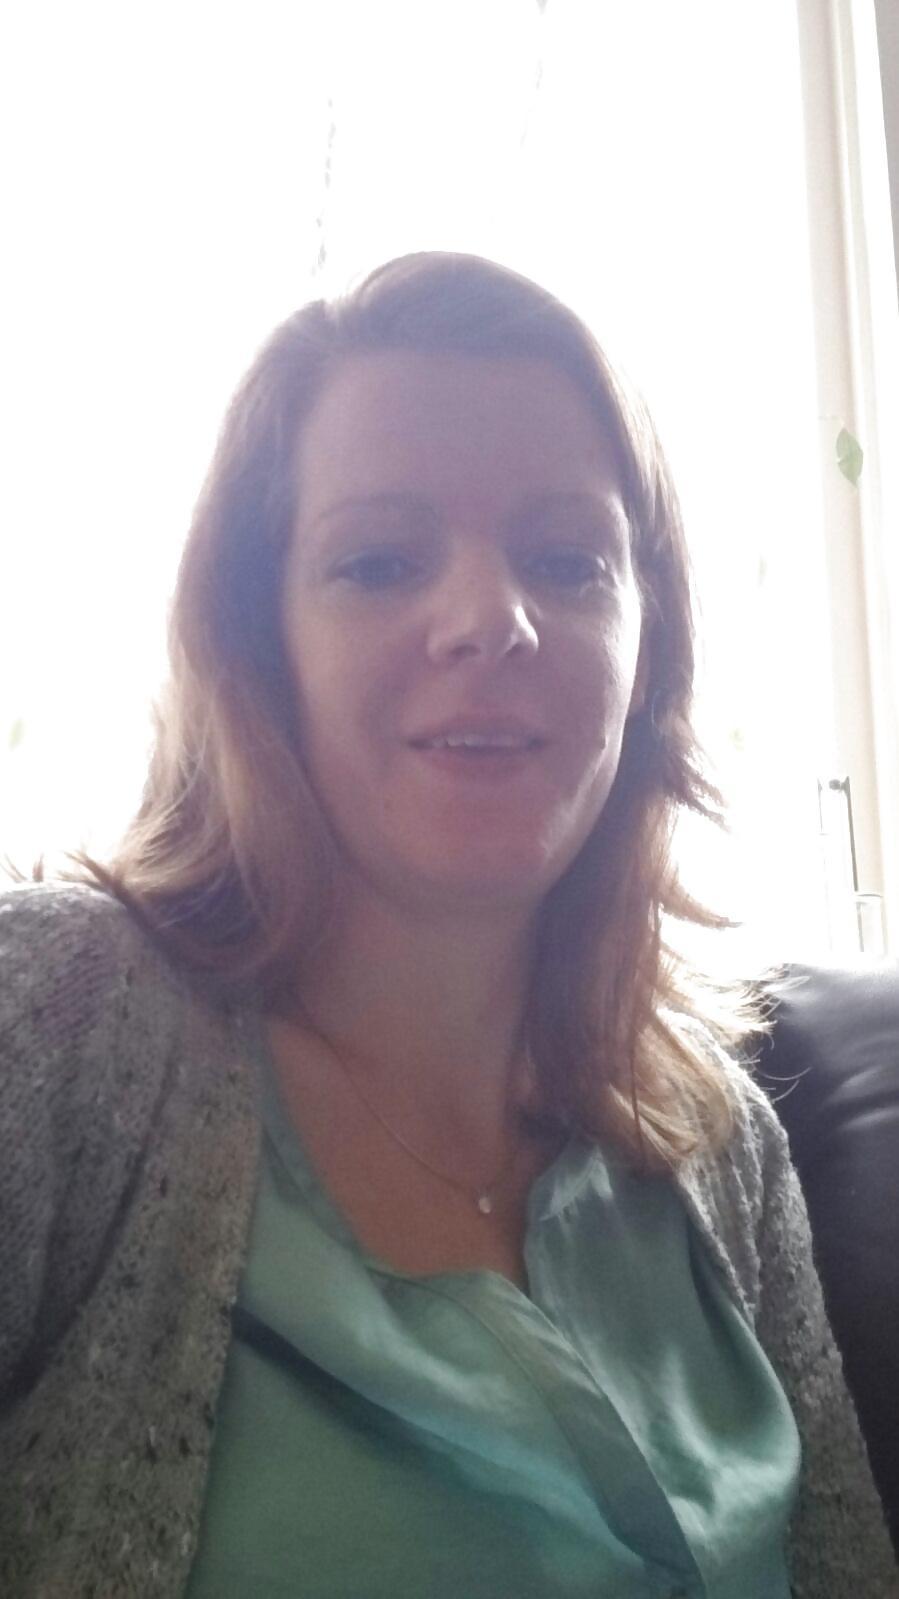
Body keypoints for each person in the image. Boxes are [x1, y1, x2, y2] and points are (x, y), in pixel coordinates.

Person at [0, 251, 895, 1599]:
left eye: (567, 560)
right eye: (378, 561)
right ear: (258, 642)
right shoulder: (55, 1020)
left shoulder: (727, 1146)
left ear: (648, 649)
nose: (493, 620)